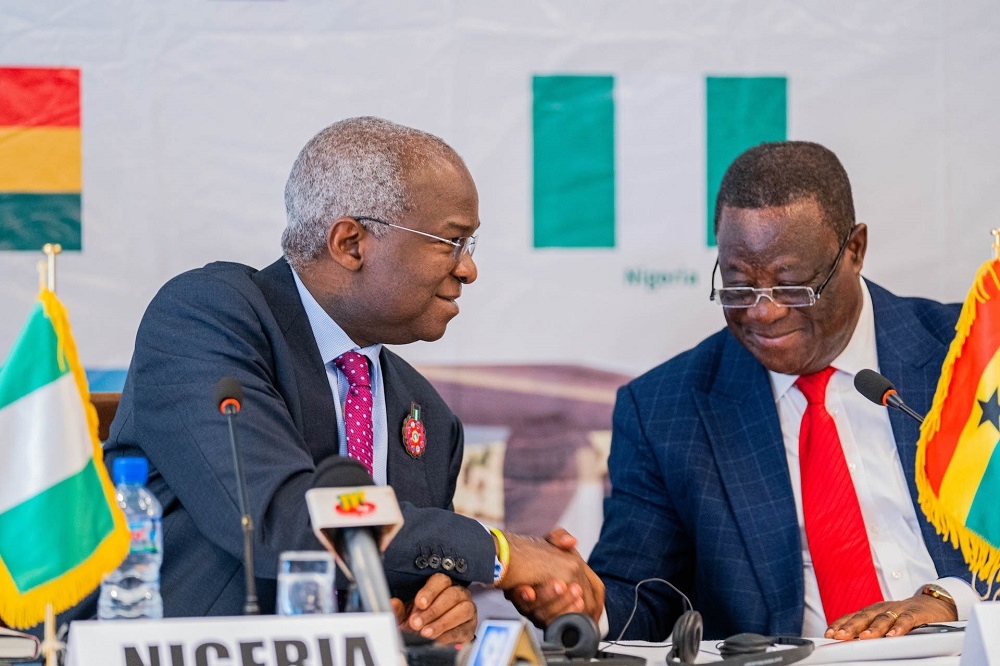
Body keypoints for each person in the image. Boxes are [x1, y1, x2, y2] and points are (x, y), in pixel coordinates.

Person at [100, 117, 596, 643]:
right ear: (351, 242)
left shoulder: (426, 413)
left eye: (470, 244)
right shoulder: (208, 316)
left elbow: (405, 561)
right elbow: (284, 520)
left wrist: (442, 608)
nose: (468, 269)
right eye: (451, 242)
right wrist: (498, 552)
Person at [515, 141, 984, 641]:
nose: (764, 312)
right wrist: (589, 606)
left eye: (791, 285)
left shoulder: (972, 353)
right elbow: (647, 594)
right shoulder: (665, 411)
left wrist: (950, 600)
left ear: (855, 250)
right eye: (739, 285)